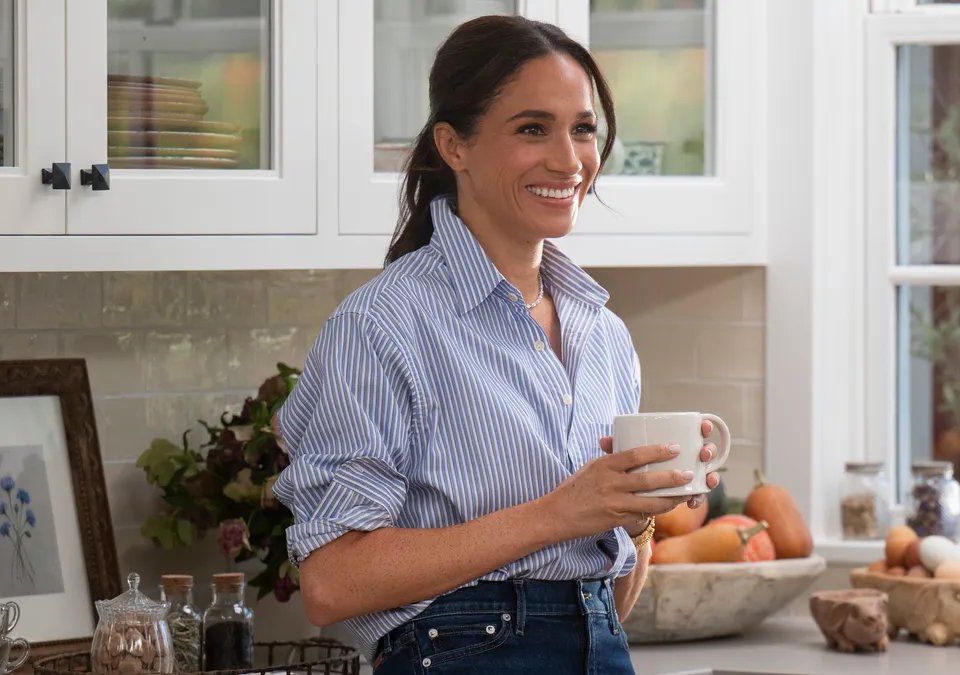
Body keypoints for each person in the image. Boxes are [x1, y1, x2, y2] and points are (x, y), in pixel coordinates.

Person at [272, 15, 720, 674]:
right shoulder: (383, 326)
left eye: (583, 128)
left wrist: (636, 515)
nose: (570, 161)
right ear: (454, 145)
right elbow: (331, 583)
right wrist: (559, 512)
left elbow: (602, 597)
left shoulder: (605, 337)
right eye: (532, 128)